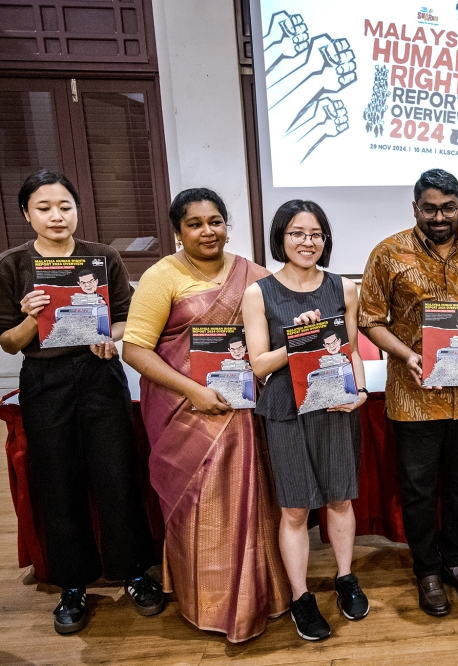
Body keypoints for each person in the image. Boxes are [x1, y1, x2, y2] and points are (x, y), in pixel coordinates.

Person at [121, 188, 288, 642]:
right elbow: (135, 348)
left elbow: (275, 336)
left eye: (215, 221)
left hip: (243, 409)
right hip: (186, 408)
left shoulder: (252, 274)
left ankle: (262, 596)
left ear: (226, 224)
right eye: (194, 224)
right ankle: (208, 602)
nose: (207, 231)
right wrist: (193, 391)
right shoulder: (162, 276)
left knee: (251, 503)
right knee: (201, 508)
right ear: (178, 232)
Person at [0, 170, 162, 634]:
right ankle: (73, 586)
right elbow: (10, 342)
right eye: (44, 208)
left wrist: (111, 338)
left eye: (64, 206)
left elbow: (126, 317)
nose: (56, 216)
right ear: (26, 213)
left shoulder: (102, 257)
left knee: (117, 474)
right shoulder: (11, 265)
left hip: (100, 376)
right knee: (57, 481)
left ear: (77, 209)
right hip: (44, 380)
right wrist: (34, 317)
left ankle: (133, 572)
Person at [359, 168, 458, 617]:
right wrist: (406, 355)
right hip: (414, 394)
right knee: (417, 491)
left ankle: (457, 562)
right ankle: (427, 571)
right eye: (430, 208)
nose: (439, 216)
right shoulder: (388, 253)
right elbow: (369, 319)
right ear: (415, 207)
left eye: (448, 208)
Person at [242, 199, 369, 641]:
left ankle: (346, 577)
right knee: (294, 509)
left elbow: (351, 350)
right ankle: (300, 597)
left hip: (334, 406)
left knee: (339, 499)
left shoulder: (344, 288)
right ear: (281, 237)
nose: (307, 242)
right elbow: (258, 365)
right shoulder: (259, 292)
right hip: (285, 410)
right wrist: (301, 337)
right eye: (297, 233)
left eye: (315, 234)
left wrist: (361, 392)